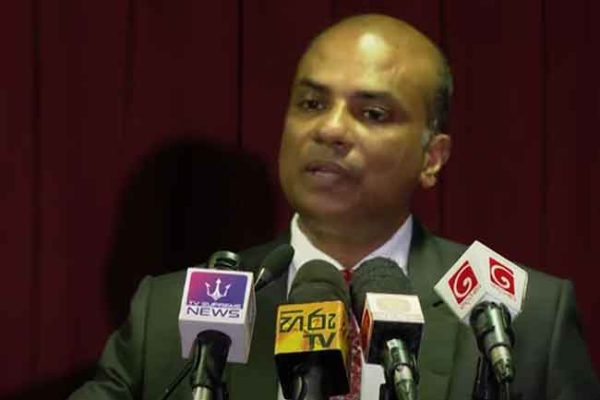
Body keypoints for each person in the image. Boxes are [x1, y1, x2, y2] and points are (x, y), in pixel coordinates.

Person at [70, 14, 600, 400]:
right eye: (311, 104)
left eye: (372, 113)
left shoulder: (523, 319)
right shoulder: (169, 317)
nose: (329, 129)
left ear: (432, 158)